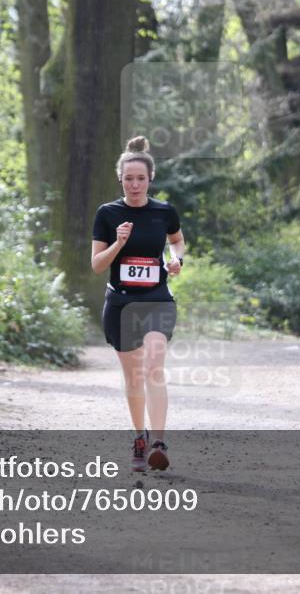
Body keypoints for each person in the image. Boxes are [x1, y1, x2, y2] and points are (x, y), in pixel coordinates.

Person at [91, 136, 185, 473]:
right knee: (134, 379)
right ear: (120, 178)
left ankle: (159, 442)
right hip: (120, 303)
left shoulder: (164, 212)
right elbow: (98, 265)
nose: (134, 184)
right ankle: (139, 437)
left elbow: (177, 240)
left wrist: (177, 261)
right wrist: (118, 243)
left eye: (140, 178)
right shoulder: (107, 213)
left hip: (157, 299)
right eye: (129, 178)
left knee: (155, 368)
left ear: (150, 179)